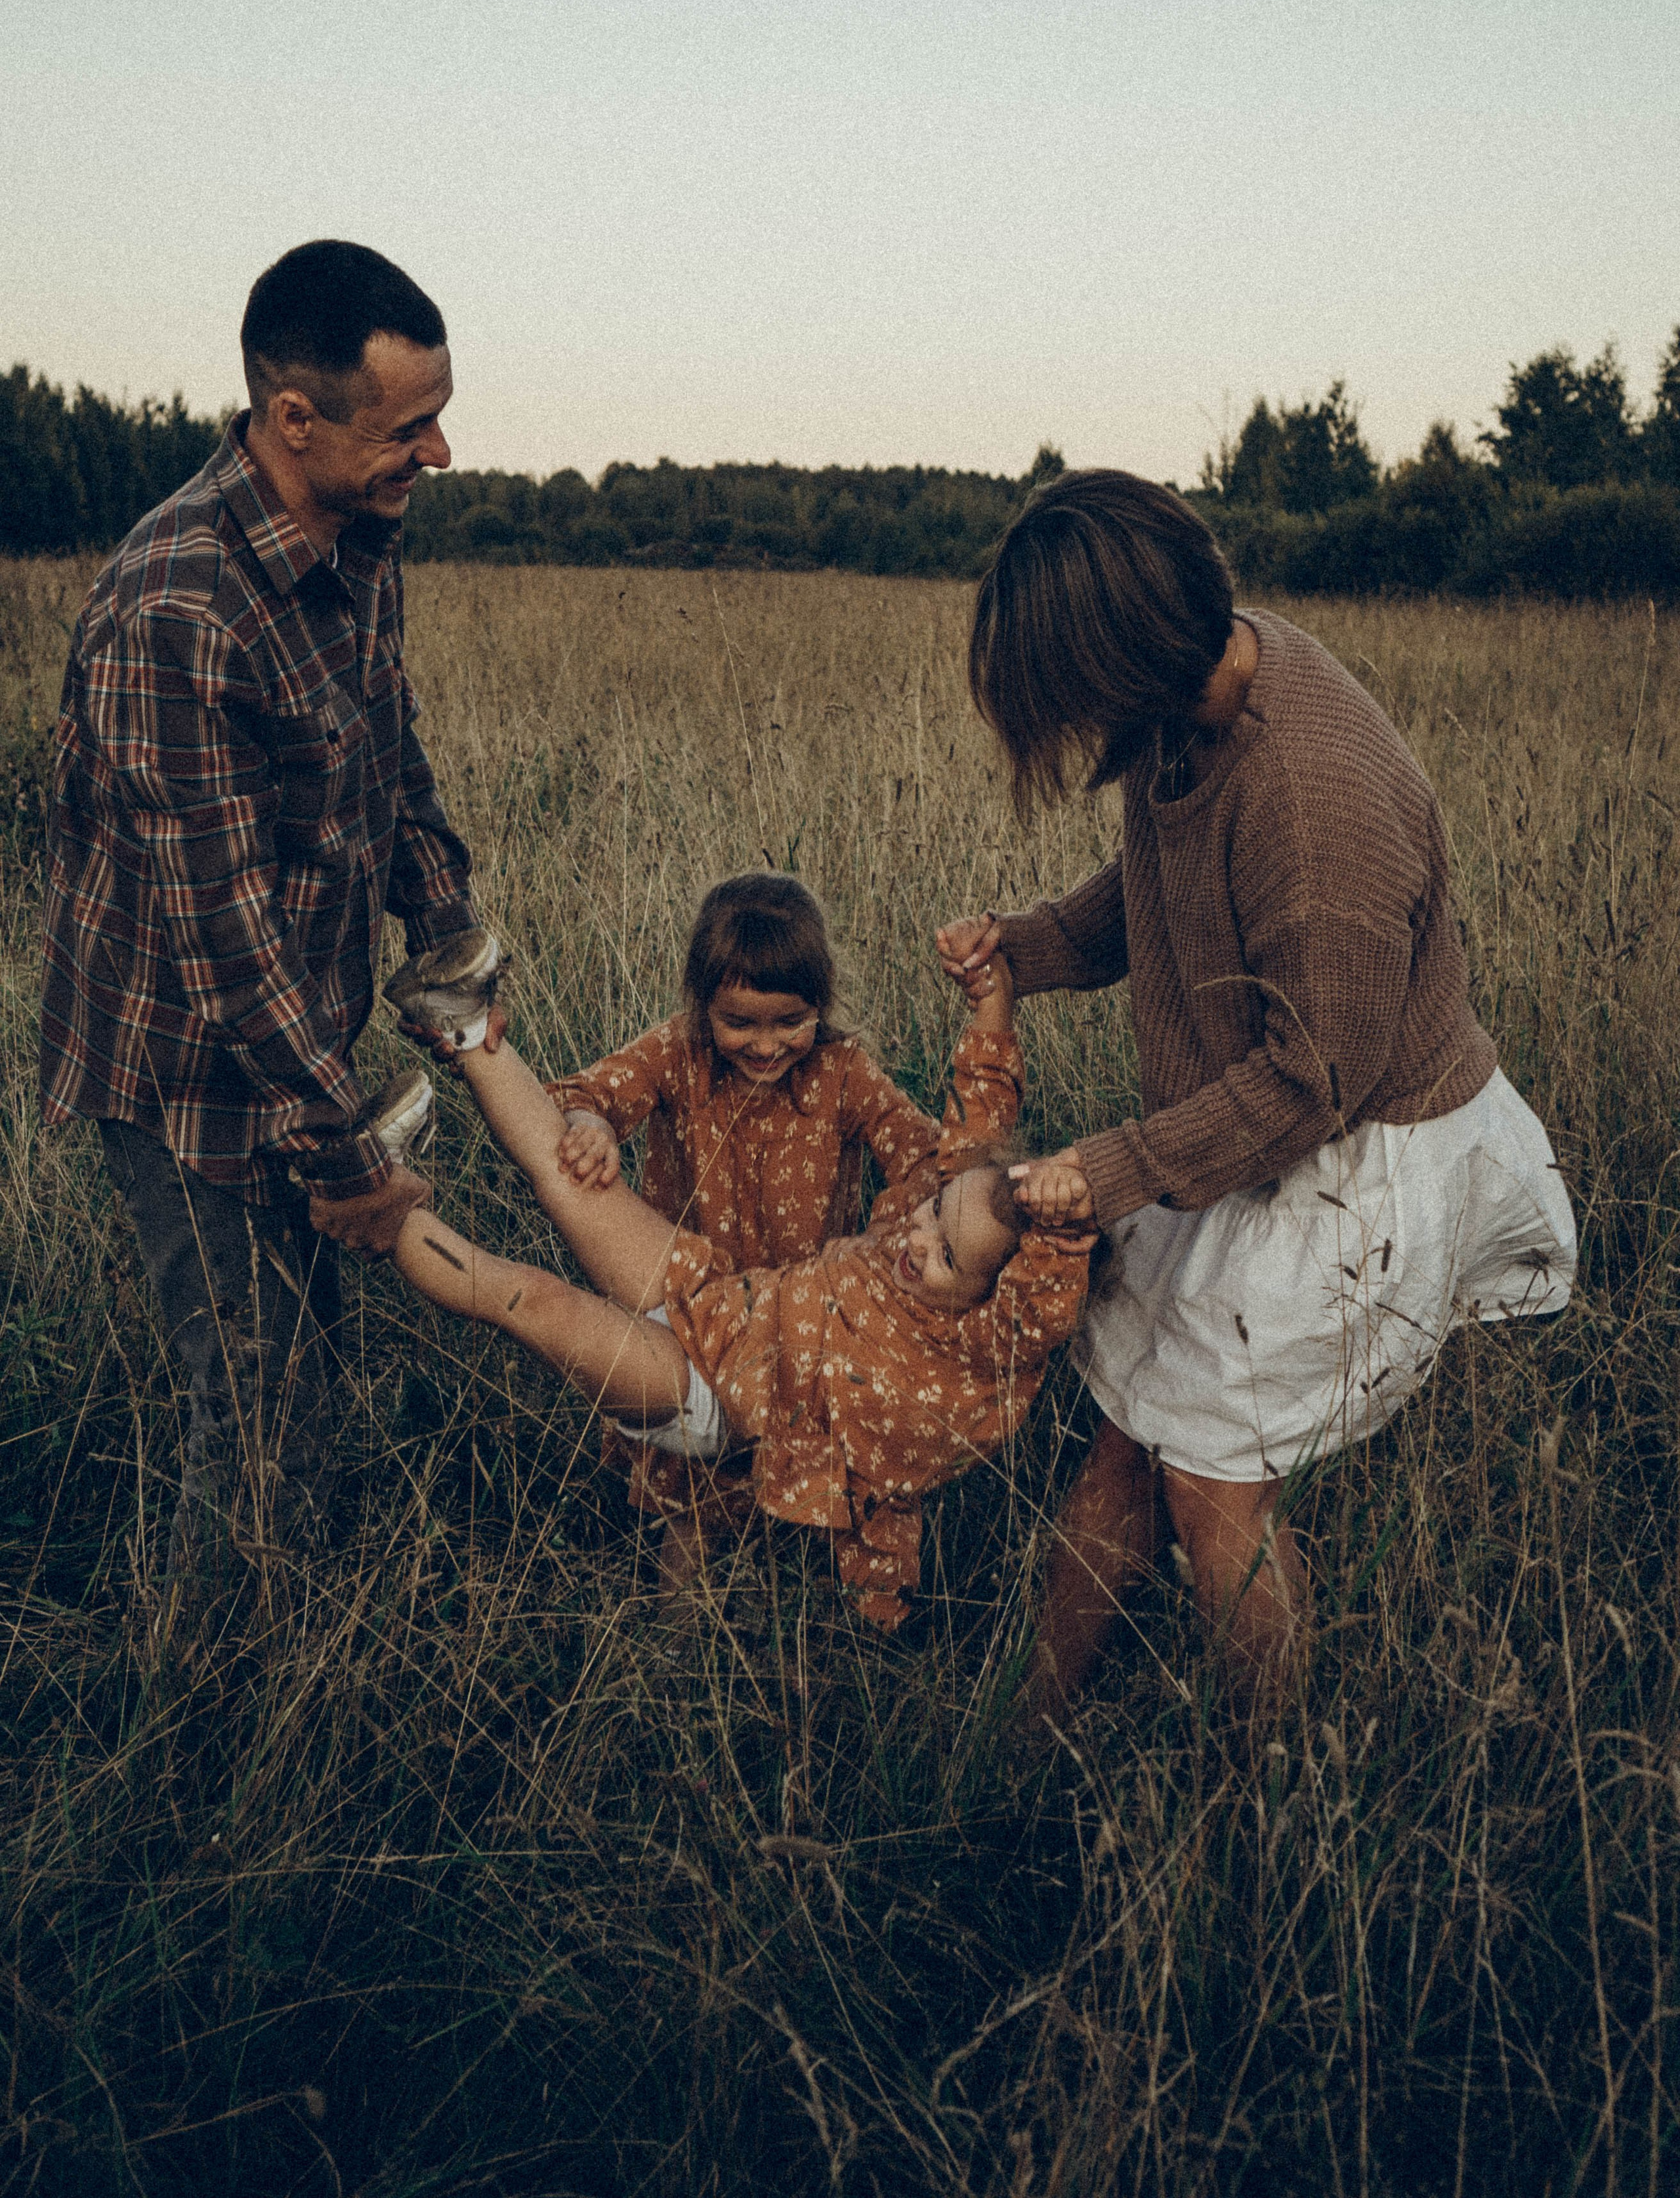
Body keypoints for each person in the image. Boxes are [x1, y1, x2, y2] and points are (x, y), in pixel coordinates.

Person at [935, 467, 1576, 1710]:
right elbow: (1160, 892)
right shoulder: (1199, 696)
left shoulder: (1311, 793)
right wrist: (1029, 945)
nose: (1064, 736)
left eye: (1064, 701)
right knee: (1130, 1432)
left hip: (1351, 1158)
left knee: (1212, 1480)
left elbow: (1313, 1081)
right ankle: (1023, 1726)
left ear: (1122, 667)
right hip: (1240, 1128)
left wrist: (1108, 1170)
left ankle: (1263, 1798)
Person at [39, 240, 480, 1608]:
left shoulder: (362, 537)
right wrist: (346, 1152)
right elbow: (221, 938)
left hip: (295, 1051)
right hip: (185, 1078)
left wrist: (450, 936)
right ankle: (197, 1735)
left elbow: (385, 756)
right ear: (296, 418)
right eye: (409, 425)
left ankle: (300, 1642)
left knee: (313, 1374)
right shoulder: (177, 609)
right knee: (249, 1413)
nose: (443, 450)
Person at [380, 942, 1093, 1627]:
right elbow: (978, 1129)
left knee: (530, 1301)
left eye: (943, 1256)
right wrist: (991, 1002)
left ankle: (378, 1199)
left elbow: (1042, 1305)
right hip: (719, 1297)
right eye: (931, 1216)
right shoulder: (938, 1213)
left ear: (989, 1299)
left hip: (707, 1396)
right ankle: (462, 1020)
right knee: (572, 1183)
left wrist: (1063, 1229)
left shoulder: (983, 1341)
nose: (916, 1238)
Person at [544, 872, 944, 1588]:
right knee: (691, 1503)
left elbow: (919, 1151)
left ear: (820, 1005)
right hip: (695, 1315)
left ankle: (812, 1637)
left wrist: (889, 1234)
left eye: (789, 1021)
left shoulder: (843, 1072)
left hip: (802, 1325)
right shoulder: (678, 1055)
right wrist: (590, 1123)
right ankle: (679, 1656)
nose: (765, 1046)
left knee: (816, 1482)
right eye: (740, 1022)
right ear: (702, 1007)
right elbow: (592, 1092)